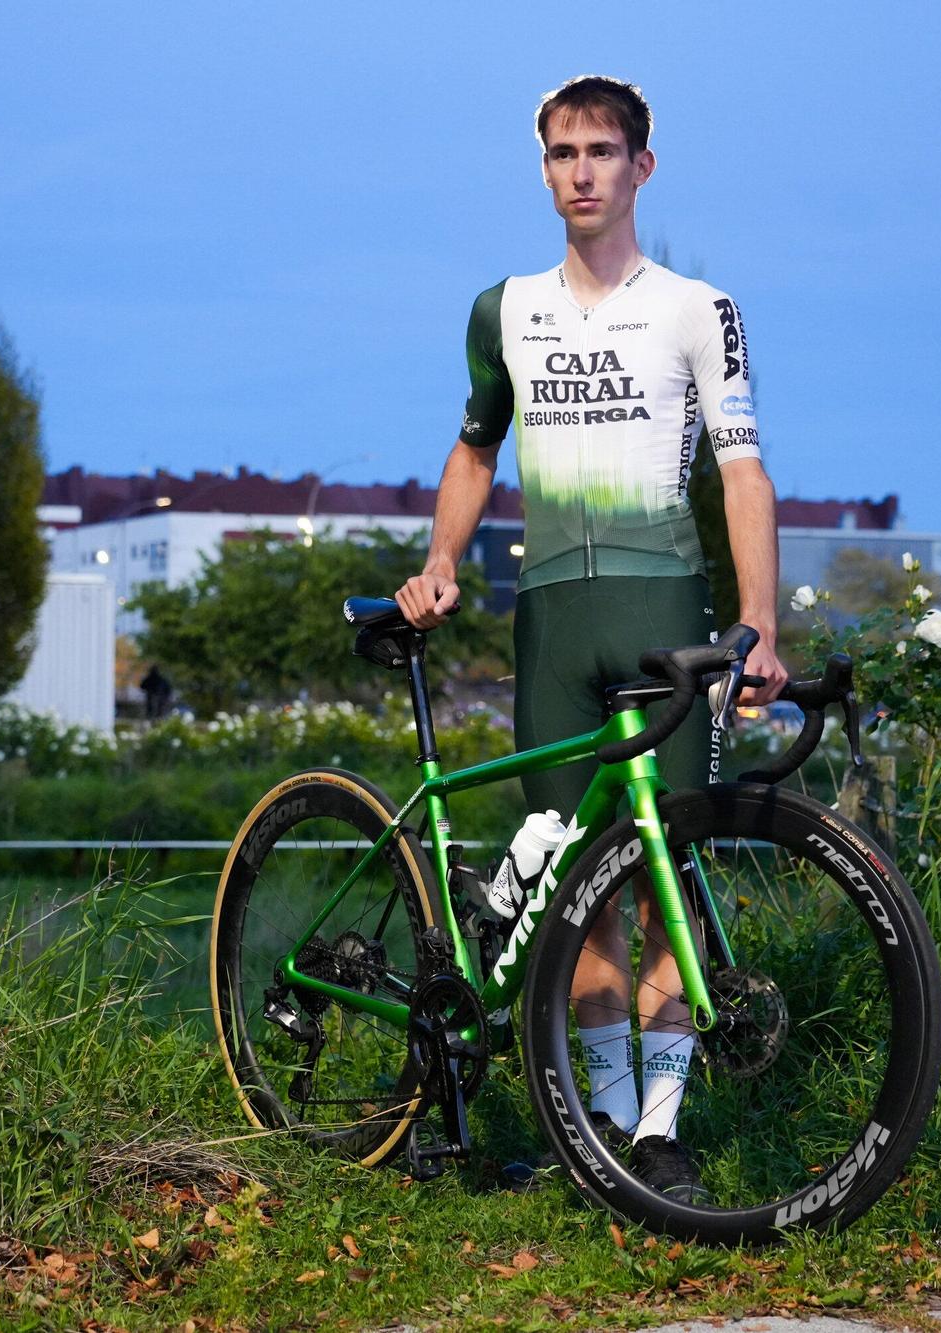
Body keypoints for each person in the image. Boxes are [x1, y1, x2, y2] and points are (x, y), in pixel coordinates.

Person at [394, 74, 788, 1204]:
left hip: (663, 614)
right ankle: (605, 1128)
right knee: (577, 887)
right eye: (561, 152)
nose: (580, 171)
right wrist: (440, 563)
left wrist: (756, 626)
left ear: (639, 168)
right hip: (550, 626)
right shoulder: (501, 309)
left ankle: (660, 1131)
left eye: (601, 152)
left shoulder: (694, 307)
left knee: (665, 879)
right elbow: (474, 450)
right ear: (543, 168)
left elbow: (742, 471)